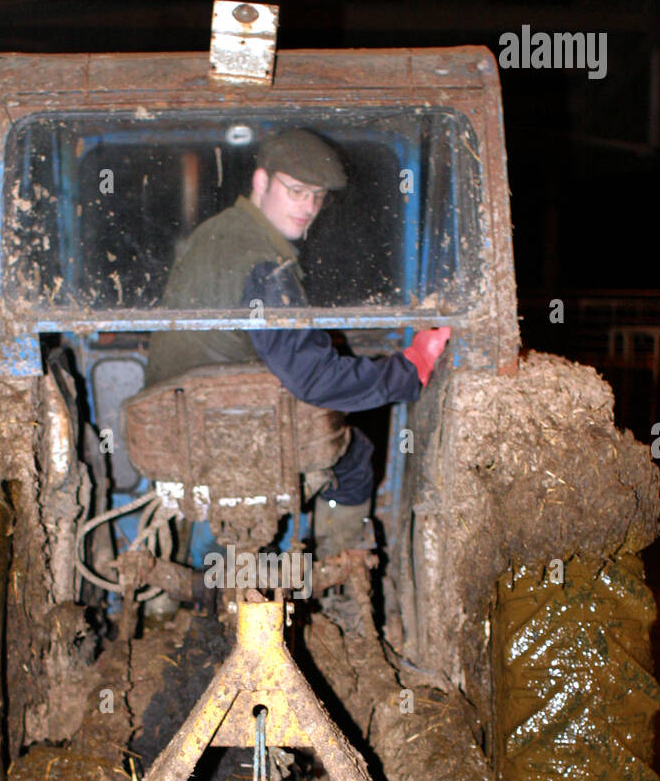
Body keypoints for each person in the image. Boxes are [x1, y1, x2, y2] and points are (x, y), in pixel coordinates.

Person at [145, 128, 450, 558]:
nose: (309, 207)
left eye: (318, 196)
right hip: (232, 427)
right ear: (261, 182)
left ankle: (184, 577)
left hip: (175, 420)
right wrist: (410, 369)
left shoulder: (216, 234)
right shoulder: (262, 264)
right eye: (297, 191)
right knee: (353, 455)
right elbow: (314, 379)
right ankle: (338, 576)